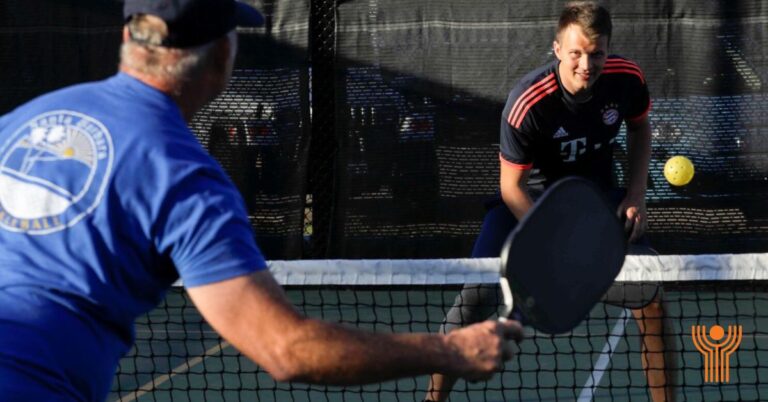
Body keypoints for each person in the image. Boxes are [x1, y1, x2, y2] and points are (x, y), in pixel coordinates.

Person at [0, 1, 524, 401]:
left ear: (127, 37)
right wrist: (449, 350)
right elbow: (286, 350)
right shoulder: (187, 179)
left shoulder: (18, 122)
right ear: (224, 54)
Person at [425, 2, 677, 402]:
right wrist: (553, 238)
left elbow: (640, 127)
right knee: (474, 299)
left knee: (650, 293)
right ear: (557, 49)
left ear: (607, 51)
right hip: (527, 204)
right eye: (576, 53)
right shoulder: (528, 104)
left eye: (596, 54)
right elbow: (512, 187)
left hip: (593, 202)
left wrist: (635, 194)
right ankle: (432, 399)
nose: (586, 64)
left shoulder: (626, 79)